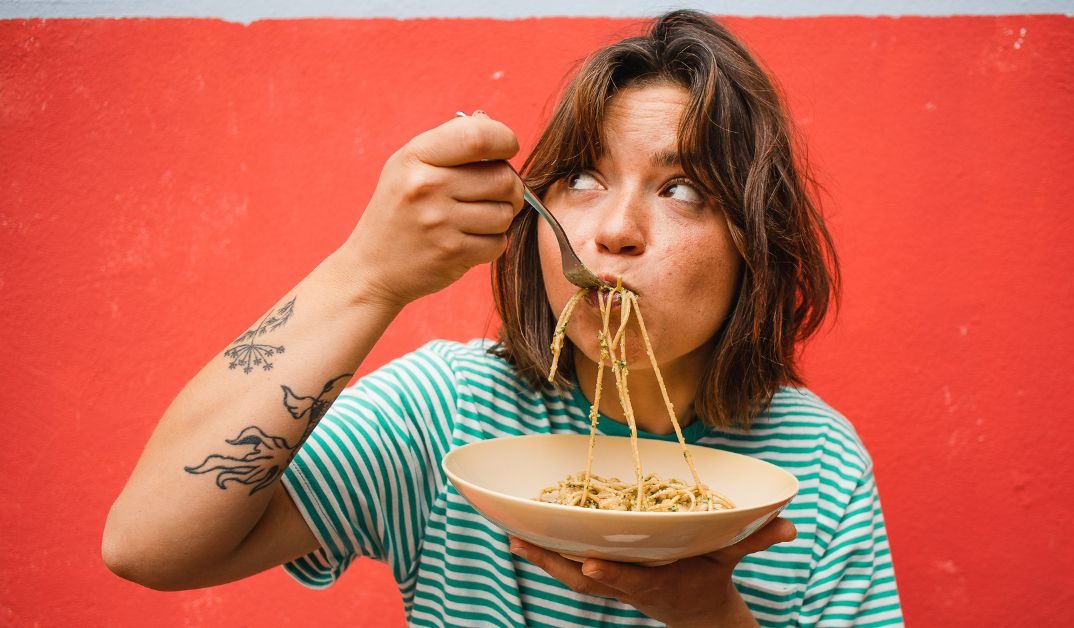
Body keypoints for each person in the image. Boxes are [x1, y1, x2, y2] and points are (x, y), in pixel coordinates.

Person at [103, 10, 903, 627]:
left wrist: (712, 618)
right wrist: (366, 275)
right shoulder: (446, 411)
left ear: (755, 245)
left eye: (683, 189)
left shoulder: (817, 463)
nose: (614, 231)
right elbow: (147, 547)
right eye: (583, 179)